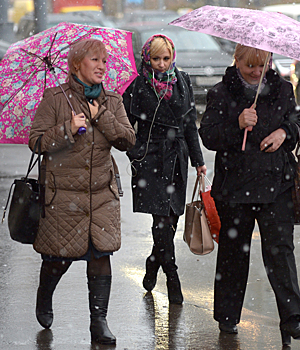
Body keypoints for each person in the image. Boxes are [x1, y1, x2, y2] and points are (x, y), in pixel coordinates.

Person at [198, 44, 300, 348]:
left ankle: (292, 320)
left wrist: (284, 133)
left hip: (277, 186)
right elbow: (208, 136)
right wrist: (237, 125)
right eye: (250, 65)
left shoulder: (284, 89)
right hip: (235, 189)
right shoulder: (221, 93)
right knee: (234, 255)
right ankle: (227, 316)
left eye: (262, 65)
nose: (256, 71)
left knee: (280, 252)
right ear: (237, 61)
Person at [28, 39, 135, 345]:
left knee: (101, 257)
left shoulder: (112, 101)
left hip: (102, 195)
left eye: (105, 60)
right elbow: (36, 142)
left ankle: (98, 322)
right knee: (58, 259)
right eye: (95, 60)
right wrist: (66, 129)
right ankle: (45, 294)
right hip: (63, 197)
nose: (102, 66)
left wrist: (101, 116)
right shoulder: (54, 99)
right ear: (77, 65)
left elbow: (128, 140)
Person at [122, 34, 206, 304]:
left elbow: (190, 122)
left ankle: (153, 261)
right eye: (156, 59)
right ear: (147, 58)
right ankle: (172, 276)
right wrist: (134, 151)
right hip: (150, 159)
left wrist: (198, 160)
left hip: (177, 157)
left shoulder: (182, 81)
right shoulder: (136, 86)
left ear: (172, 57)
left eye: (165, 58)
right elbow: (123, 124)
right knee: (160, 220)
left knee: (171, 219)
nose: (160, 64)